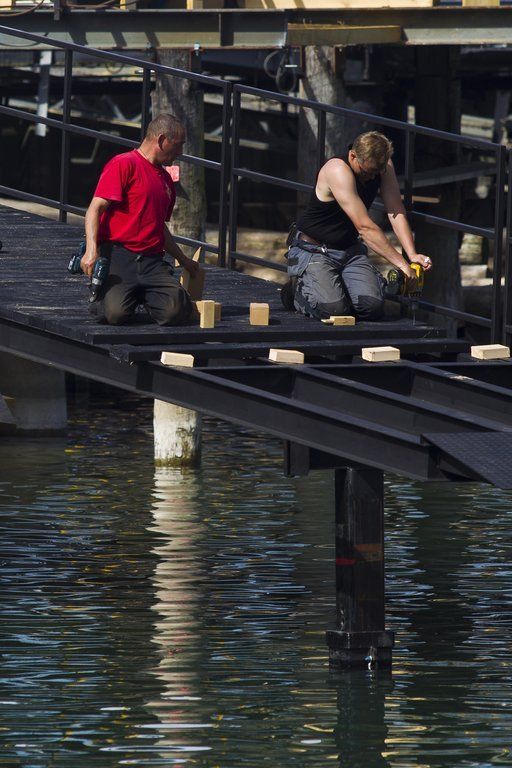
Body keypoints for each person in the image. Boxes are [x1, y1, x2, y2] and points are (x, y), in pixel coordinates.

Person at [283, 131, 432, 320]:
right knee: (334, 310)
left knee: (372, 306)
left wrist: (412, 254)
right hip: (314, 249)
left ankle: (336, 289)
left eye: (376, 173)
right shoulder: (337, 170)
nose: (371, 178)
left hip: (349, 250)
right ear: (353, 156)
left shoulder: (383, 166)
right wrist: (402, 264)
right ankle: (296, 291)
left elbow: (395, 209)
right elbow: (365, 228)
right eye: (366, 172)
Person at [81, 113, 200, 325]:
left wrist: (183, 260)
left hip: (151, 260)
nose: (180, 152)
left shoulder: (166, 180)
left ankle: (141, 293)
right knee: (115, 315)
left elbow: (159, 227)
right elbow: (94, 209)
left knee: (176, 311)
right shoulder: (123, 164)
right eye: (178, 145)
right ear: (162, 140)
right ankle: (113, 295)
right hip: (119, 256)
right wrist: (91, 250)